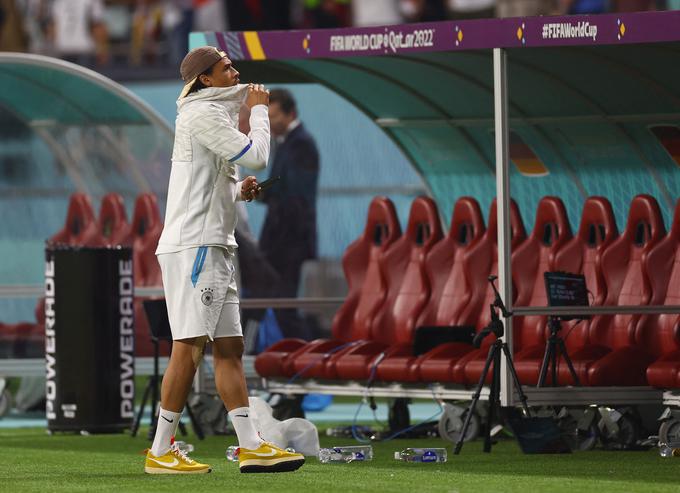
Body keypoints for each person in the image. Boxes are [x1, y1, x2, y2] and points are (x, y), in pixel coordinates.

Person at [145, 46, 305, 475]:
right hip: (197, 248)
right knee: (189, 347)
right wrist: (259, 113)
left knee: (230, 349)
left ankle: (251, 445)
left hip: (214, 244)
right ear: (206, 81)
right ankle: (160, 450)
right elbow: (257, 154)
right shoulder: (203, 115)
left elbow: (199, 184)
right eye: (226, 68)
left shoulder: (203, 114)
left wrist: (238, 191)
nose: (236, 72)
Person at [259, 88, 320, 339]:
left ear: (290, 113)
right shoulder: (285, 143)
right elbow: (281, 184)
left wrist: (267, 194)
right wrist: (261, 191)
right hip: (280, 242)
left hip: (289, 243)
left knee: (284, 305)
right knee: (275, 303)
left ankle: (305, 356)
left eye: (274, 117)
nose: (270, 124)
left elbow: (296, 197)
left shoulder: (302, 144)